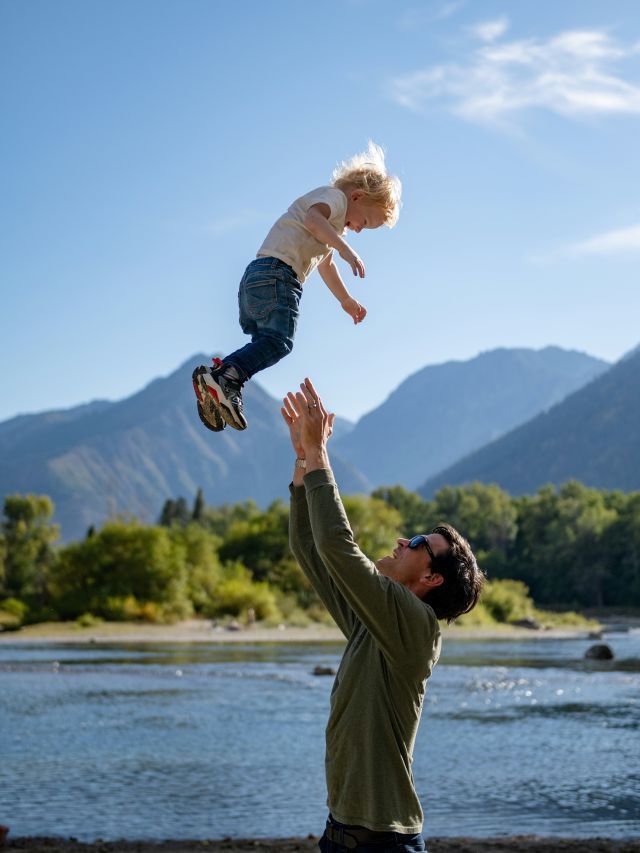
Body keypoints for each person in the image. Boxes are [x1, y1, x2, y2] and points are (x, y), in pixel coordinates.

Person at [281, 378, 485, 853]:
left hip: (384, 842)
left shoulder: (416, 627)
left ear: (432, 579)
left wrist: (322, 456)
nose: (401, 541)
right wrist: (303, 458)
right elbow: (309, 548)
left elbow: (337, 544)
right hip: (340, 833)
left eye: (417, 544)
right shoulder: (371, 624)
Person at [192, 142, 401, 432]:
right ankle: (226, 379)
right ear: (357, 196)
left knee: (263, 344)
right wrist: (345, 248)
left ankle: (219, 381)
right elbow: (312, 220)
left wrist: (345, 300)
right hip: (278, 276)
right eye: (364, 222)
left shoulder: (334, 224)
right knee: (279, 343)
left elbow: (325, 265)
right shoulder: (334, 201)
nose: (358, 230)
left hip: (256, 279)